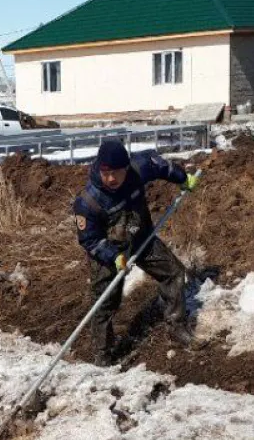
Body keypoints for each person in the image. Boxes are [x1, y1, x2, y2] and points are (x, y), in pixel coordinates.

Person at [73, 139, 199, 366]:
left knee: (174, 273)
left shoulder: (139, 170)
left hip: (142, 239)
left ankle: (176, 325)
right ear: (99, 168)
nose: (111, 178)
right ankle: (104, 353)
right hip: (109, 252)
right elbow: (90, 240)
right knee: (105, 302)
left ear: (126, 168)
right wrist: (113, 256)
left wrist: (182, 178)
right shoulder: (88, 202)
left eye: (117, 172)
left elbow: (161, 166)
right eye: (106, 172)